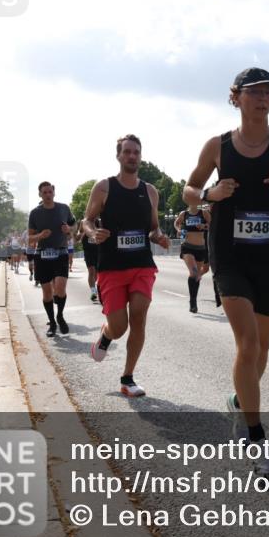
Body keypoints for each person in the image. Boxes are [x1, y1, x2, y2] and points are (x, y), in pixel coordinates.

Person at [183, 67, 269, 475]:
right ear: (236, 97)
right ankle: (255, 436)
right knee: (247, 343)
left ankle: (239, 402)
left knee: (262, 347)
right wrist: (210, 193)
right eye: (255, 92)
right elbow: (189, 190)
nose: (263, 98)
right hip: (229, 256)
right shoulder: (218, 146)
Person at [81, 134, 170, 398]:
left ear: (140, 156)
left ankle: (127, 378)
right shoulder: (104, 187)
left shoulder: (150, 191)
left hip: (142, 264)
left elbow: (153, 228)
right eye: (127, 152)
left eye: (136, 152)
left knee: (139, 316)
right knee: (119, 327)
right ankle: (107, 335)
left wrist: (159, 237)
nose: (132, 156)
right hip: (112, 267)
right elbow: (87, 220)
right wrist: (92, 233)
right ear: (118, 156)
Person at [28, 182, 76, 337]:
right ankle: (52, 323)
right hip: (42, 255)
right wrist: (40, 235)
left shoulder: (64, 208)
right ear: (40, 194)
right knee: (47, 292)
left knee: (60, 288)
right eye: (45, 192)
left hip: (61, 253)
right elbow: (30, 238)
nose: (48, 195)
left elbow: (74, 228)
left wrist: (69, 229)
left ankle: (60, 315)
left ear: (54, 193)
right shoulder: (35, 213)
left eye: (50, 192)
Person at [174, 204, 212, 313]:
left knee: (197, 275)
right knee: (194, 272)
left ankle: (193, 299)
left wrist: (204, 226)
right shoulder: (184, 214)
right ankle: (193, 302)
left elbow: (212, 225)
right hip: (187, 246)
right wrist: (179, 230)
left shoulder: (204, 213)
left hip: (200, 248)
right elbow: (176, 223)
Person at [79, 218, 102, 304]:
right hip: (88, 251)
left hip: (98, 251)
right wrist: (84, 234)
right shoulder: (83, 222)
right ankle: (93, 291)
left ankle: (94, 287)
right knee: (91, 271)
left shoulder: (99, 221)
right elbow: (78, 236)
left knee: (96, 274)